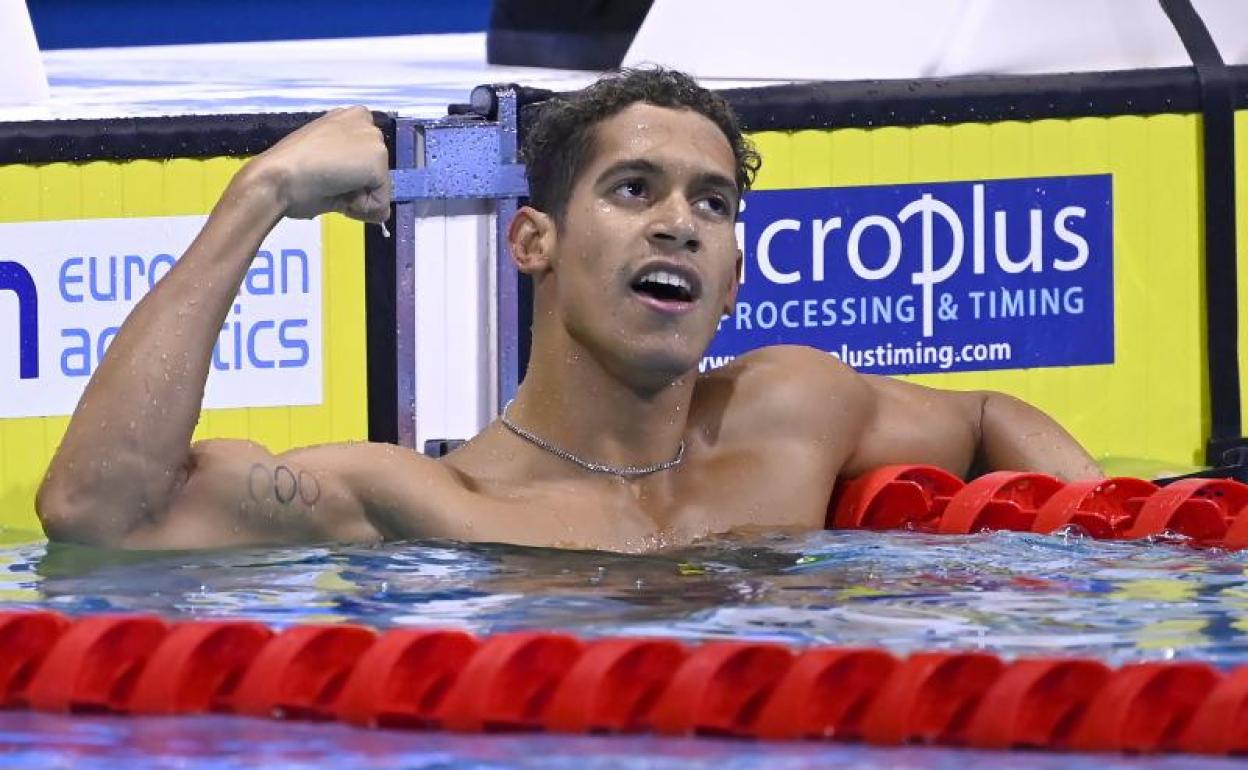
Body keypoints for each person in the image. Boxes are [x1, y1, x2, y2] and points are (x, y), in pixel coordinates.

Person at [36, 69, 1102, 552]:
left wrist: (1103, 529)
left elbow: (988, 414)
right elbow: (98, 512)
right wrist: (257, 193)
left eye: (712, 202)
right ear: (532, 240)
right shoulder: (419, 498)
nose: (679, 223)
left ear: (732, 273)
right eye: (634, 189)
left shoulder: (792, 412)